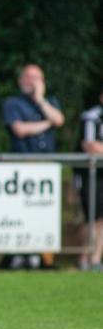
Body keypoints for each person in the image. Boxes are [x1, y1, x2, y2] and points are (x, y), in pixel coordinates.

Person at [2, 64, 65, 269]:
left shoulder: (49, 102)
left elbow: (59, 119)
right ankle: (18, 255)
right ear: (20, 81)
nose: (31, 82)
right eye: (27, 77)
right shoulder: (13, 103)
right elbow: (20, 130)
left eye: (36, 78)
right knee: (20, 212)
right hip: (23, 167)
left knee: (45, 212)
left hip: (47, 168)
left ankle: (44, 258)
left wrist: (40, 101)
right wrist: (48, 124)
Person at [76, 87, 103, 271]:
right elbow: (90, 146)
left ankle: (94, 259)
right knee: (93, 217)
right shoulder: (92, 117)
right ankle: (83, 257)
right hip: (90, 175)